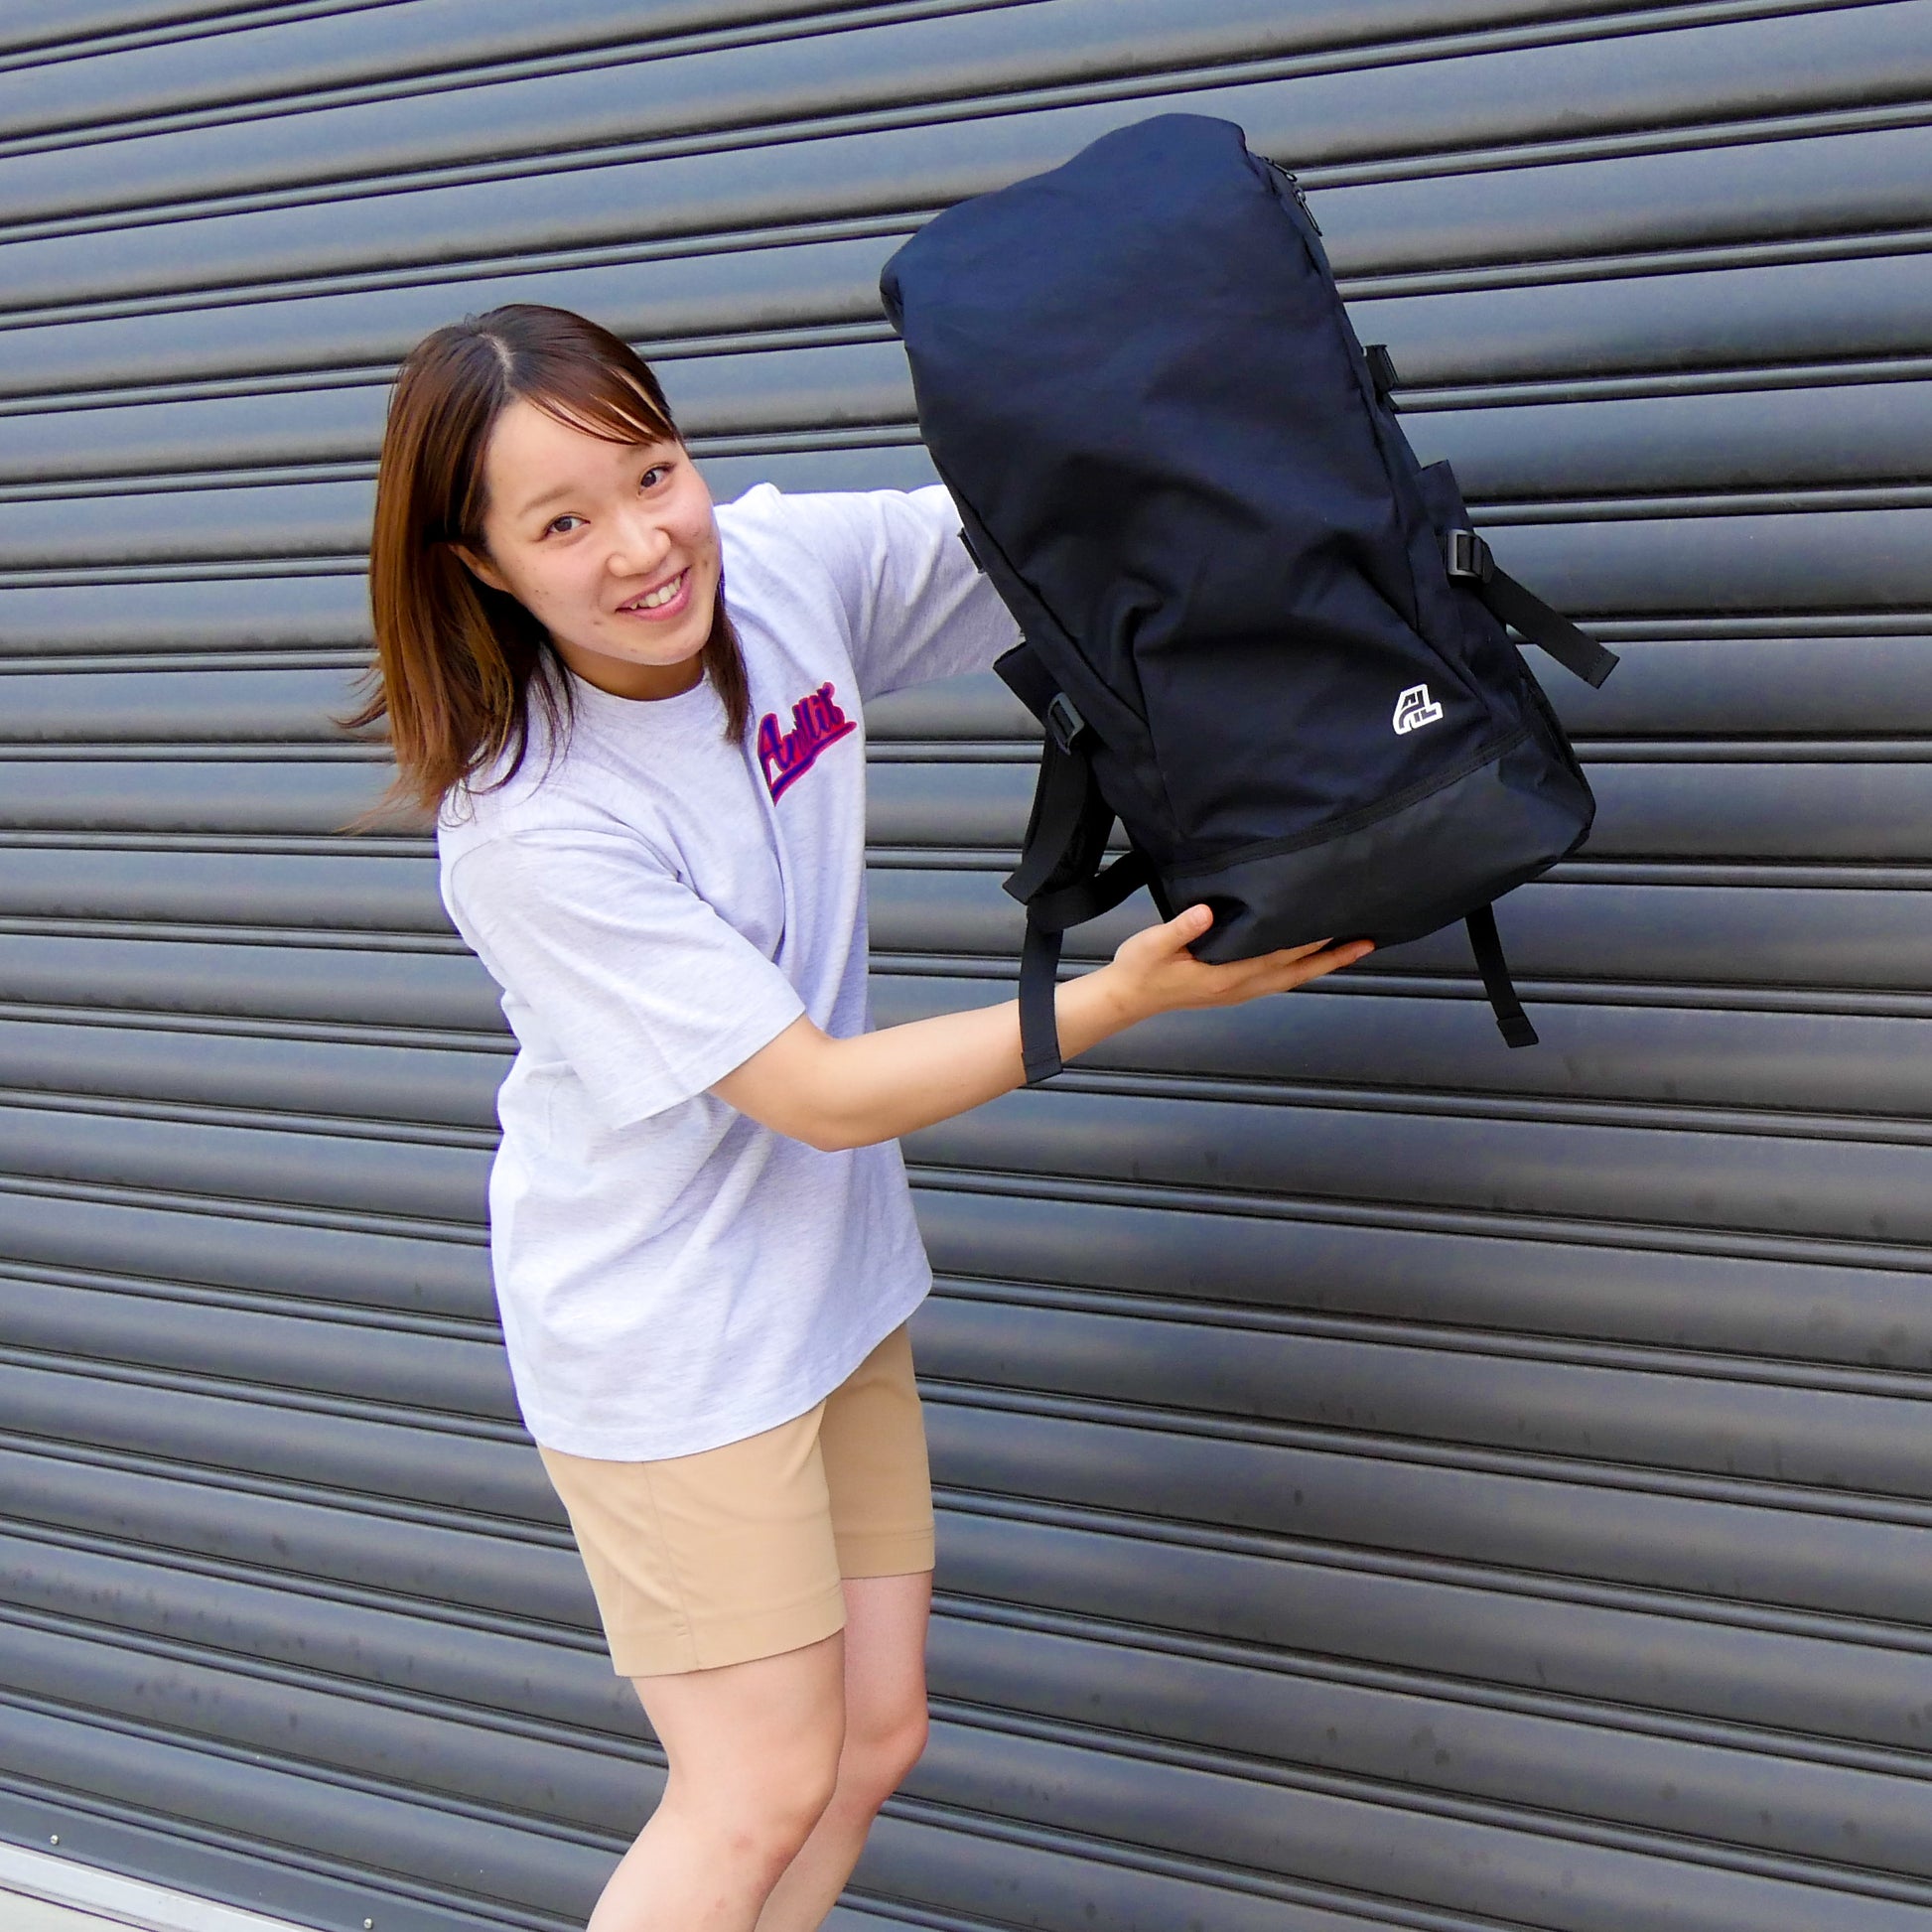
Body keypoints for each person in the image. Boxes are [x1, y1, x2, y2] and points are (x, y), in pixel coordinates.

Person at [357, 302, 1371, 1932]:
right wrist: (1111, 1001)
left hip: (827, 1284)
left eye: (652, 473)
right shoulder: (532, 823)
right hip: (672, 1339)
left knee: (867, 1743)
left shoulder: (775, 572)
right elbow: (814, 1094)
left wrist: (1240, 396)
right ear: (479, 566)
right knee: (750, 1786)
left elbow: (1034, 527)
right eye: (562, 523)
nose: (642, 546)